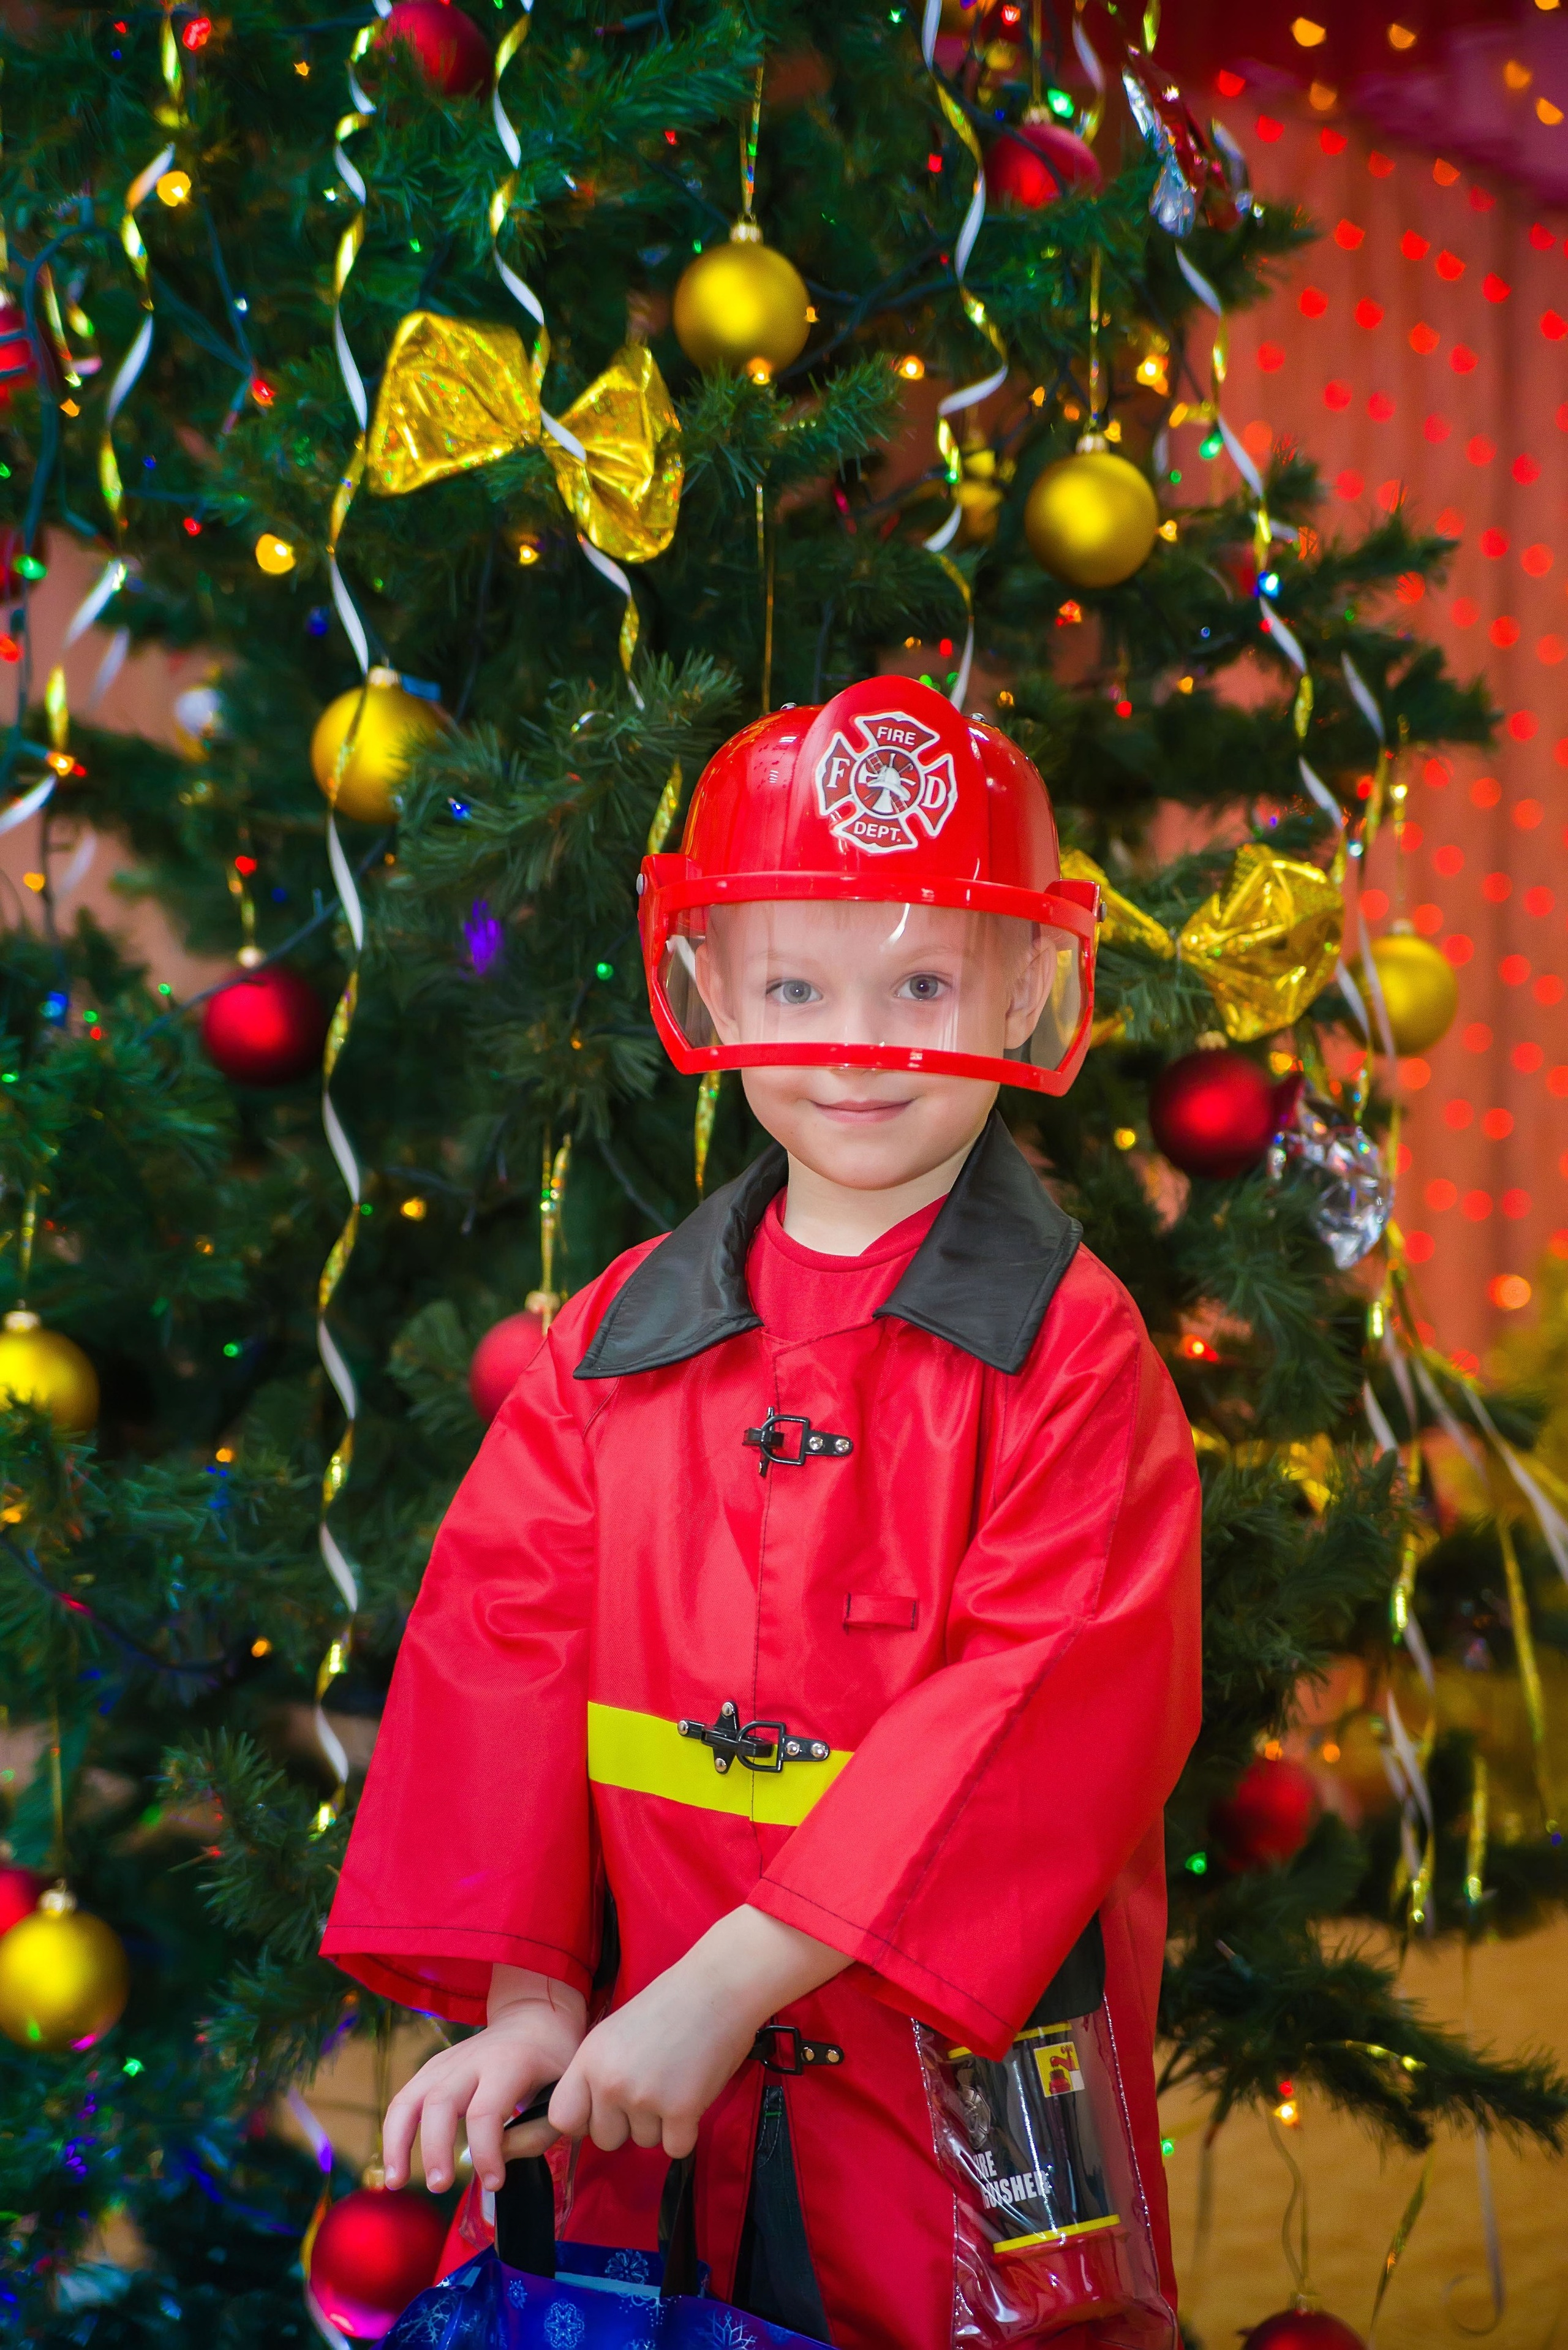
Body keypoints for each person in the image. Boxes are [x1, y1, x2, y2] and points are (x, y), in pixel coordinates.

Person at [321, 676, 1203, 2350]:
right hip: (649, 2083)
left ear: (1028, 985)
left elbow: (1041, 1702)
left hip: (962, 2078)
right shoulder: (617, 1338)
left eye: (924, 981)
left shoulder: (1076, 1353)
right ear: (707, 982)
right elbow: (500, 1659)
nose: (857, 1046)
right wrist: (531, 1999)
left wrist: (723, 1986)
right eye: (796, 982)